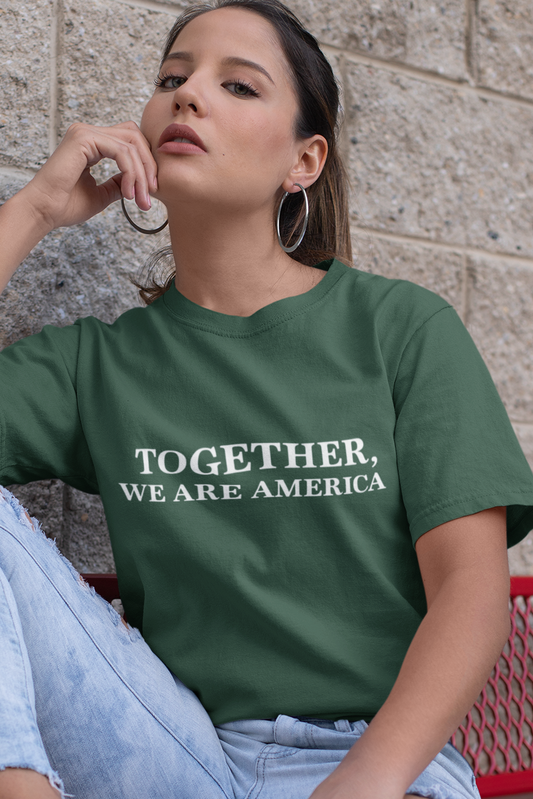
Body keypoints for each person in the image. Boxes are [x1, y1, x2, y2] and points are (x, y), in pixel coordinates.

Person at [1, 1, 532, 798]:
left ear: (304, 161)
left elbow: (471, 591)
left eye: (238, 86)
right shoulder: (99, 364)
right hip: (175, 748)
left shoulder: (396, 328)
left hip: (373, 764)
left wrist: (369, 781)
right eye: (171, 78)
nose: (187, 95)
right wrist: (33, 210)